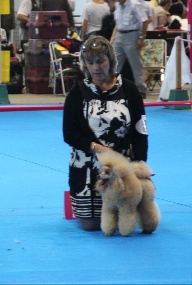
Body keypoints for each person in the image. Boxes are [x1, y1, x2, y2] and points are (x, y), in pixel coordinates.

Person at [63, 36, 148, 231]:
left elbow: (140, 131)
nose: (96, 68)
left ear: (110, 60)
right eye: (90, 63)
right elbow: (69, 134)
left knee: (126, 221)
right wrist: (97, 149)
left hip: (123, 168)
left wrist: (141, 165)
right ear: (85, 65)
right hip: (87, 167)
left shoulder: (130, 89)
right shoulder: (77, 92)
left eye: (101, 61)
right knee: (91, 226)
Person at [110, 0, 149, 98]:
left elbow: (145, 21)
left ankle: (141, 89)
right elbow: (117, 24)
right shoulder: (117, 5)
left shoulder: (135, 4)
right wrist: (112, 39)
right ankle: (111, 87)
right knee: (114, 62)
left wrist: (141, 38)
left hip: (132, 35)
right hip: (119, 35)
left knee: (136, 64)